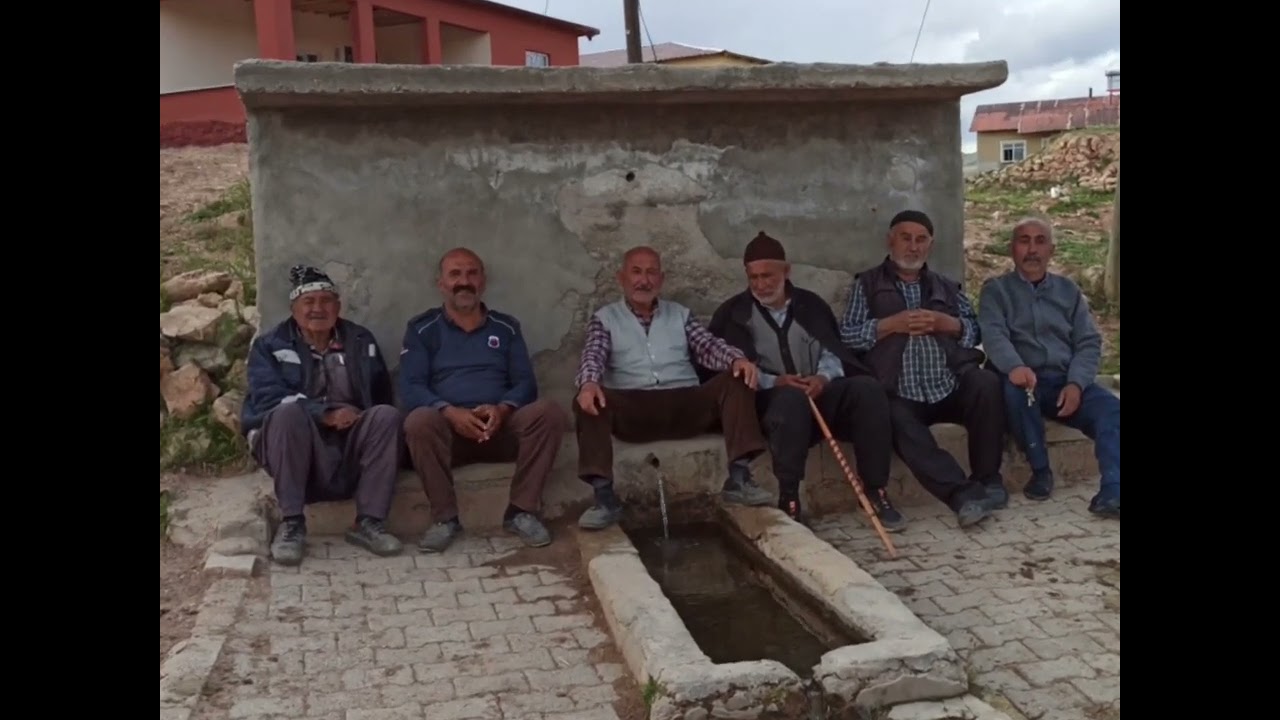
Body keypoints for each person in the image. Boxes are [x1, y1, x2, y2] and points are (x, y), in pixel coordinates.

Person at [706, 231, 903, 529]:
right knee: (790, 399)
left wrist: (822, 378)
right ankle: (789, 496)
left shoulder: (812, 305)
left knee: (867, 390)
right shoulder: (734, 313)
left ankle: (876, 490)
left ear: (786, 271)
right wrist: (774, 382)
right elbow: (729, 371)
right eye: (754, 277)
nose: (760, 284)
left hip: (818, 394)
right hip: (770, 404)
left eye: (767, 275)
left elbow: (832, 351)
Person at [573, 245, 770, 530]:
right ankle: (605, 498)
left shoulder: (680, 314)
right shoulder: (605, 319)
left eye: (651, 272)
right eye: (636, 272)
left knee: (738, 376)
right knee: (587, 396)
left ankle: (739, 479)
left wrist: (736, 359)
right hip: (634, 409)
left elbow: (708, 346)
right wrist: (589, 382)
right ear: (621, 278)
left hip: (685, 405)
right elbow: (593, 355)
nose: (644, 280)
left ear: (661, 279)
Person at [839, 210, 1006, 528]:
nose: (913, 247)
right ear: (890, 241)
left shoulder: (947, 287)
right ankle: (962, 495)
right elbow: (846, 336)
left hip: (946, 386)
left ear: (930, 244)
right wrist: (889, 325)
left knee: (985, 383)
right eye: (906, 238)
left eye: (921, 240)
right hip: (898, 392)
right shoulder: (867, 284)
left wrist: (949, 324)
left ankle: (988, 479)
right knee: (895, 418)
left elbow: (976, 331)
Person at [400, 248, 569, 553]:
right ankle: (445, 519)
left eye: (472, 273)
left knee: (549, 413)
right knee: (418, 421)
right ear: (441, 284)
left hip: (499, 429)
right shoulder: (422, 329)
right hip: (448, 436)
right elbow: (411, 387)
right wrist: (450, 412)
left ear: (483, 281)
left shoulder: (506, 327)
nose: (464, 281)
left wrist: (501, 409)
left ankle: (521, 511)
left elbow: (525, 383)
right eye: (455, 274)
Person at [241, 265, 403, 566]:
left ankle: (369, 522)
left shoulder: (360, 340)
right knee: (287, 414)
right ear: (294, 309)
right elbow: (267, 398)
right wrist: (325, 414)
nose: (318, 309)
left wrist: (361, 418)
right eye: (309, 302)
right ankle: (292, 523)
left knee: (386, 416)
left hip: (348, 440)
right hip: (294, 441)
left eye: (326, 301)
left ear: (338, 307)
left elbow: (379, 393)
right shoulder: (269, 346)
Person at [977, 218, 1119, 517]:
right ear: (1012, 249)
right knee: (1015, 392)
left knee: (1111, 410)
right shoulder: (997, 290)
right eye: (1024, 241)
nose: (1032, 249)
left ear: (1051, 250)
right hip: (1023, 380)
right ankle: (1041, 471)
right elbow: (993, 335)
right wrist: (1015, 367)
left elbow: (1088, 342)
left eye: (1040, 241)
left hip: (1064, 380)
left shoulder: (1068, 291)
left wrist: (1076, 383)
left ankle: (1113, 490)